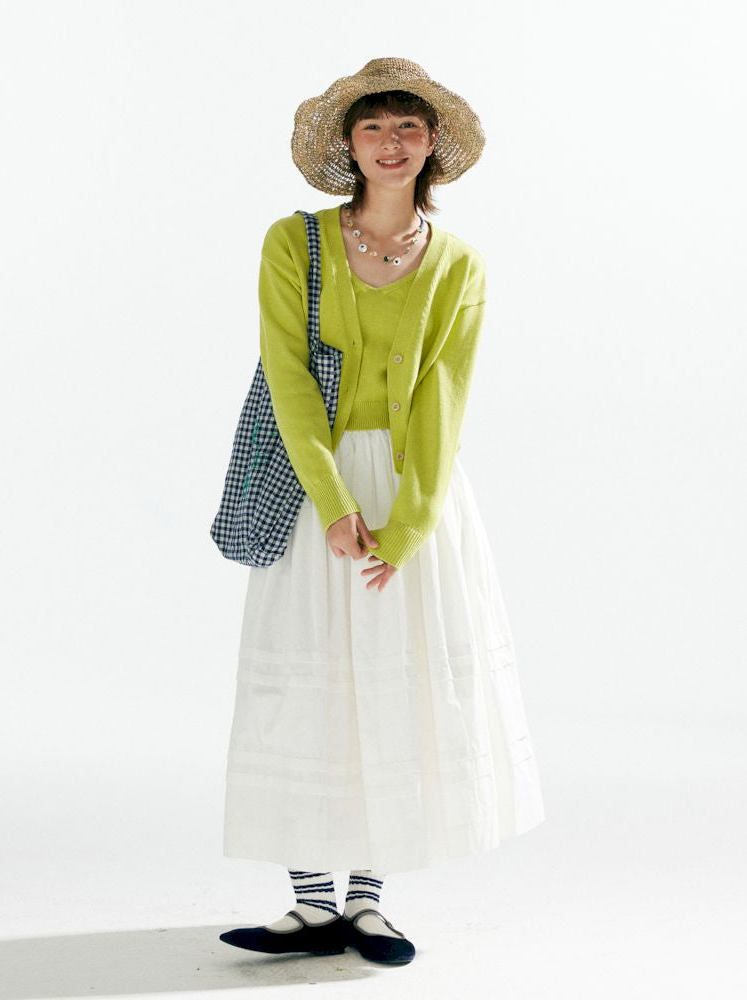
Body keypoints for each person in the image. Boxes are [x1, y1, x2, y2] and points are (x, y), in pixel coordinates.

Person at [218, 57, 546, 966]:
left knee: (394, 687)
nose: (391, 142)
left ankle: (367, 904)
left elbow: (445, 395)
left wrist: (409, 524)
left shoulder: (460, 263)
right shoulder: (295, 243)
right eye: (373, 127)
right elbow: (286, 374)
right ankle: (308, 905)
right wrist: (331, 502)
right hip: (309, 488)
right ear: (348, 145)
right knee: (304, 689)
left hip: (411, 493)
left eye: (408, 126)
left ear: (432, 144)